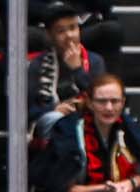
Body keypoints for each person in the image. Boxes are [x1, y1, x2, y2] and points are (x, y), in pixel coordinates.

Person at [26, 4, 101, 140]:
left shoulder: (95, 61)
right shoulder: (37, 64)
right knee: (58, 120)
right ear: (49, 35)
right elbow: (29, 111)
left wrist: (77, 70)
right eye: (61, 31)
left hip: (86, 119)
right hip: (51, 122)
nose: (69, 36)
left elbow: (101, 99)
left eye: (73, 28)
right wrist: (54, 109)